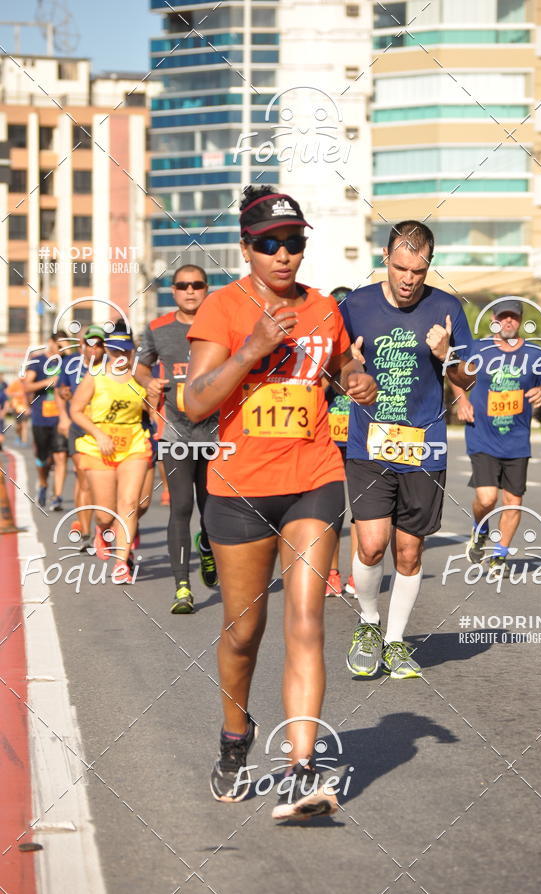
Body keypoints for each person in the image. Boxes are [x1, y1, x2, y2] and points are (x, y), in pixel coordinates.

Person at [184, 184, 376, 819]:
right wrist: (251, 350)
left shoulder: (324, 309)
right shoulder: (222, 308)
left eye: (294, 243)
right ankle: (236, 736)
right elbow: (195, 403)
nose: (284, 254)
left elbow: (342, 368)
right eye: (270, 244)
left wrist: (356, 379)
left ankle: (301, 767)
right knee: (243, 634)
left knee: (305, 620)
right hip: (240, 489)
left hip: (314, 476)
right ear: (246, 248)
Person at [341, 220, 474, 680]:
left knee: (409, 553)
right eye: (400, 267)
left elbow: (466, 381)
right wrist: (348, 367)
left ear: (428, 266)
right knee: (373, 543)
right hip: (368, 445)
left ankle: (396, 643)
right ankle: (368, 622)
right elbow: (331, 368)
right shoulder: (354, 305)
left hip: (424, 448)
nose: (407, 279)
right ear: (385, 259)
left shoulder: (447, 308)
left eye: (417, 271)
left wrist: (449, 356)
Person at [136, 265, 219, 614]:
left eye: (197, 285)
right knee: (182, 507)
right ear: (173, 291)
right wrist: (148, 382)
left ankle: (209, 548)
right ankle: (182, 587)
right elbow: (141, 367)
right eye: (183, 286)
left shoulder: (221, 326)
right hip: (176, 433)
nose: (190, 291)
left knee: (213, 510)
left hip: (216, 433)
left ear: (206, 289)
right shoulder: (158, 329)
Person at [451, 298, 541, 571]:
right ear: (493, 320)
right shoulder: (479, 349)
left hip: (517, 439)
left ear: (520, 321)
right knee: (486, 498)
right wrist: (462, 400)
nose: (508, 321)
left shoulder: (534, 354)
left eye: (514, 317)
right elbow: (456, 376)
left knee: (513, 500)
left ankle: (499, 556)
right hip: (482, 435)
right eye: (503, 317)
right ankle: (480, 528)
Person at [70, 322, 159, 583]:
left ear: (133, 352)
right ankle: (102, 529)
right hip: (100, 447)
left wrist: (156, 407)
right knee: (106, 514)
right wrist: (99, 434)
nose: (121, 356)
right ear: (108, 350)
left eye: (126, 351)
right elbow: (75, 410)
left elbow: (151, 410)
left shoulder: (140, 377)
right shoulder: (95, 376)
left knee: (130, 504)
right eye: (116, 351)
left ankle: (122, 563)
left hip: (133, 444)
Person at [56, 325, 106, 550]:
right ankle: (86, 533)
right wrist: (63, 418)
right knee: (83, 478)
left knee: (102, 481)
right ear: (83, 346)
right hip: (78, 427)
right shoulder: (70, 364)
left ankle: (102, 525)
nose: (94, 348)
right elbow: (61, 390)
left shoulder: (111, 366)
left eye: (99, 344)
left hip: (106, 429)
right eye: (89, 344)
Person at [324, 286, 358, 598]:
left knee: (363, 510)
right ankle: (331, 573)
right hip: (329, 438)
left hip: (361, 436)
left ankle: (358, 576)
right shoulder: (322, 346)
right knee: (332, 510)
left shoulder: (364, 343)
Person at [23, 332, 71, 509]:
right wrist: (47, 383)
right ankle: (43, 483)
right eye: (59, 346)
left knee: (61, 456)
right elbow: (26, 386)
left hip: (61, 418)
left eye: (64, 347)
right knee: (43, 459)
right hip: (41, 417)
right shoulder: (37, 361)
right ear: (50, 342)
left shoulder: (68, 362)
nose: (61, 350)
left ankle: (57, 496)